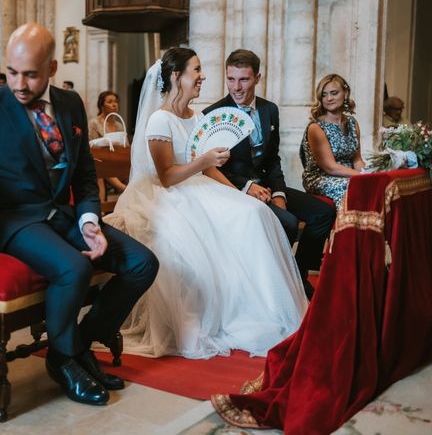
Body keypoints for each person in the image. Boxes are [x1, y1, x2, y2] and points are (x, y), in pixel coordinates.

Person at [0, 22, 158, 406]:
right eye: (12, 72)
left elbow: (85, 175)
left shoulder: (71, 104)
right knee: (72, 269)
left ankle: (77, 345)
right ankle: (62, 360)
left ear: (52, 68)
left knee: (143, 264)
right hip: (8, 221)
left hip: (61, 215)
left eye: (30, 74)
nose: (19, 83)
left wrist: (90, 220)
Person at [105, 48, 308, 360]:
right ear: (176, 77)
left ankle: (263, 305)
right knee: (227, 226)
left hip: (200, 185)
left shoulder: (196, 116)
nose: (202, 76)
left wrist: (236, 194)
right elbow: (167, 176)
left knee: (253, 213)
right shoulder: (160, 119)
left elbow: (210, 169)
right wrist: (203, 160)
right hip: (169, 194)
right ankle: (233, 309)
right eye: (196, 70)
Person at [203, 50, 336, 299]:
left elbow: (273, 159)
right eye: (231, 79)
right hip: (234, 190)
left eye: (244, 79)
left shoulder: (269, 110)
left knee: (323, 214)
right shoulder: (214, 114)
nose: (236, 87)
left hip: (267, 185)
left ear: (258, 78)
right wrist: (248, 187)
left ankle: (297, 272)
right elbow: (215, 168)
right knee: (287, 222)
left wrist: (279, 193)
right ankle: (270, 286)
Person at [300, 74, 365, 209]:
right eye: (324, 95)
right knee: (351, 188)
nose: (329, 98)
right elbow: (330, 167)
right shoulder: (316, 127)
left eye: (334, 93)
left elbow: (357, 160)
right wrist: (362, 176)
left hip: (349, 174)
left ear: (345, 94)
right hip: (320, 177)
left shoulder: (352, 123)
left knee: (374, 186)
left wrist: (370, 175)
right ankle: (345, 229)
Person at [88, 90, 127, 193]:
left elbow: (126, 146)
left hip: (118, 161)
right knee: (102, 169)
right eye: (110, 102)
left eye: (116, 101)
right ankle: (123, 188)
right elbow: (91, 148)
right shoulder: (94, 123)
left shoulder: (119, 125)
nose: (114, 105)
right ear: (102, 106)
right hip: (101, 161)